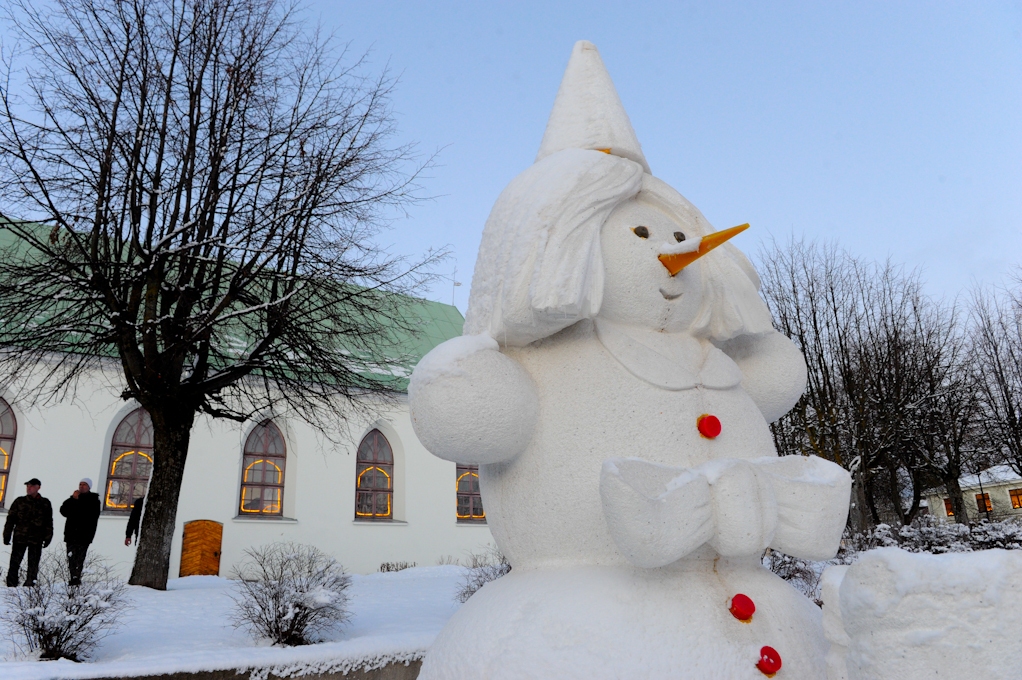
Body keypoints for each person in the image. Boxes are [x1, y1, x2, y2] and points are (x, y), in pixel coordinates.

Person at [3, 478, 53, 587]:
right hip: (20, 537)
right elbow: (11, 519)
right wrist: (7, 534)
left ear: (38, 487)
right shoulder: (19, 501)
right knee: (15, 563)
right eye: (27, 486)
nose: (29, 488)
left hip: (37, 538)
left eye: (31, 486)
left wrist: (48, 536)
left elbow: (48, 521)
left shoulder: (44, 503)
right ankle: (11, 585)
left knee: (33, 564)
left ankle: (30, 585)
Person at [59, 478, 101, 586]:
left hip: (84, 535)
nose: (81, 486)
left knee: (80, 558)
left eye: (84, 484)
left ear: (89, 487)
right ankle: (72, 576)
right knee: (71, 557)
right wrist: (73, 500)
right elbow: (64, 511)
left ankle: (77, 577)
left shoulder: (94, 500)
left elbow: (89, 515)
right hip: (71, 534)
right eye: (80, 484)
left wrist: (77, 503)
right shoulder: (72, 499)